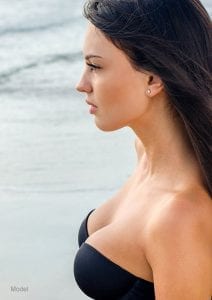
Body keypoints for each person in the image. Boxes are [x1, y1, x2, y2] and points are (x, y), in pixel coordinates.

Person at [73, 0, 212, 299]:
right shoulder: (145, 154)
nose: (81, 84)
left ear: (153, 78)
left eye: (95, 66)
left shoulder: (179, 219)